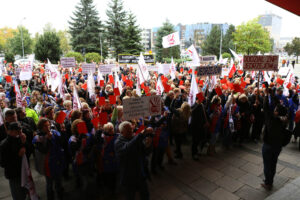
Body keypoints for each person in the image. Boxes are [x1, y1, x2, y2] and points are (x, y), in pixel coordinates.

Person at [115, 121, 153, 200]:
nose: (131, 132)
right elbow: (127, 148)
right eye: (128, 131)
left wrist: (148, 145)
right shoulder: (118, 142)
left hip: (140, 173)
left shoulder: (134, 138)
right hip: (129, 177)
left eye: (131, 130)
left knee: (145, 195)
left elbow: (145, 152)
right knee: (130, 196)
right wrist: (141, 135)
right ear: (121, 132)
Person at [261, 88, 288, 190]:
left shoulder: (272, 120)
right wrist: (271, 95)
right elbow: (279, 106)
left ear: (277, 112)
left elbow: (266, 108)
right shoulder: (284, 120)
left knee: (267, 165)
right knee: (273, 163)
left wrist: (266, 95)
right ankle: (270, 180)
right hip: (278, 146)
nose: (274, 109)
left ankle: (268, 183)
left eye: (276, 109)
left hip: (268, 145)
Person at [32, 118, 65, 200]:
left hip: (57, 160)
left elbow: (61, 142)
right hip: (47, 163)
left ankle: (60, 194)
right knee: (49, 183)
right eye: (45, 126)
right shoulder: (38, 138)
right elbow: (44, 150)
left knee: (58, 181)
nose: (48, 127)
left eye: (48, 125)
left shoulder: (53, 132)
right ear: (40, 127)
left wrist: (63, 131)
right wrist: (49, 139)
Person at [0, 122, 28, 200]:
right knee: (18, 195)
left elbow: (28, 151)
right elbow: (3, 163)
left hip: (22, 170)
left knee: (23, 192)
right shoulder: (4, 144)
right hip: (14, 174)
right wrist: (17, 156)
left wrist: (24, 142)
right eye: (17, 131)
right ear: (10, 131)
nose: (20, 132)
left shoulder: (19, 138)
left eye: (20, 130)